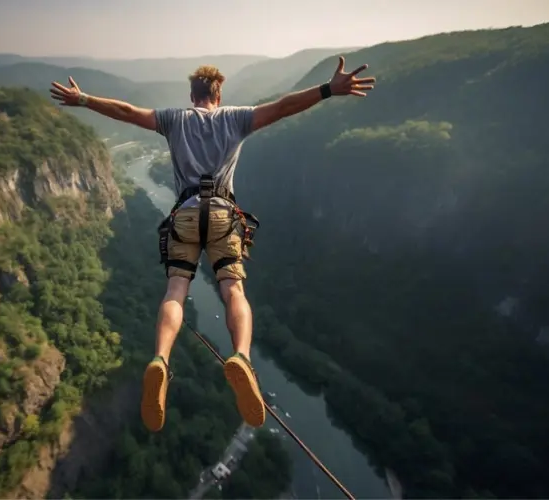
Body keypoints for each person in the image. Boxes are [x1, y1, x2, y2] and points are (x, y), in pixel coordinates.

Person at [50, 56, 375, 432]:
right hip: (223, 214)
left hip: (184, 215)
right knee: (233, 289)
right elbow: (285, 106)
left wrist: (85, 99)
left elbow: (126, 111)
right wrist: (327, 90)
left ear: (193, 95)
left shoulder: (174, 119)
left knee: (176, 290)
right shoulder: (236, 118)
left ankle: (160, 359)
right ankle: (240, 357)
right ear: (218, 96)